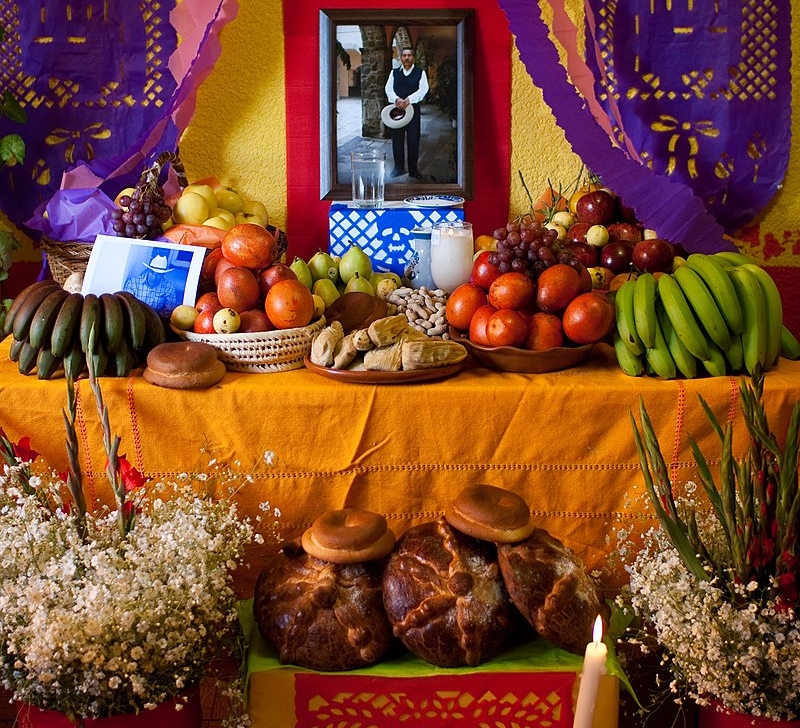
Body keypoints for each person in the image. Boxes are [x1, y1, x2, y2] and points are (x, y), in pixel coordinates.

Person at [384, 47, 429, 179]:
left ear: (413, 57)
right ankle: (398, 168)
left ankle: (413, 170)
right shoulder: (394, 73)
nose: (407, 58)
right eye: (404, 55)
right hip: (396, 111)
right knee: (397, 140)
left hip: (413, 111)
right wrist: (396, 99)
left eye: (409, 55)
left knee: (413, 140)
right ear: (401, 58)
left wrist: (409, 100)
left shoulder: (420, 73)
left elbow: (423, 89)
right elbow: (388, 89)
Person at [123, 251, 179, 318]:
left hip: (157, 319)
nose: (154, 277)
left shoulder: (169, 287)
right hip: (135, 318)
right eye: (152, 272)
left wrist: (154, 317)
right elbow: (127, 304)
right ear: (148, 270)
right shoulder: (133, 283)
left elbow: (169, 310)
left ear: (163, 274)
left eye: (159, 274)